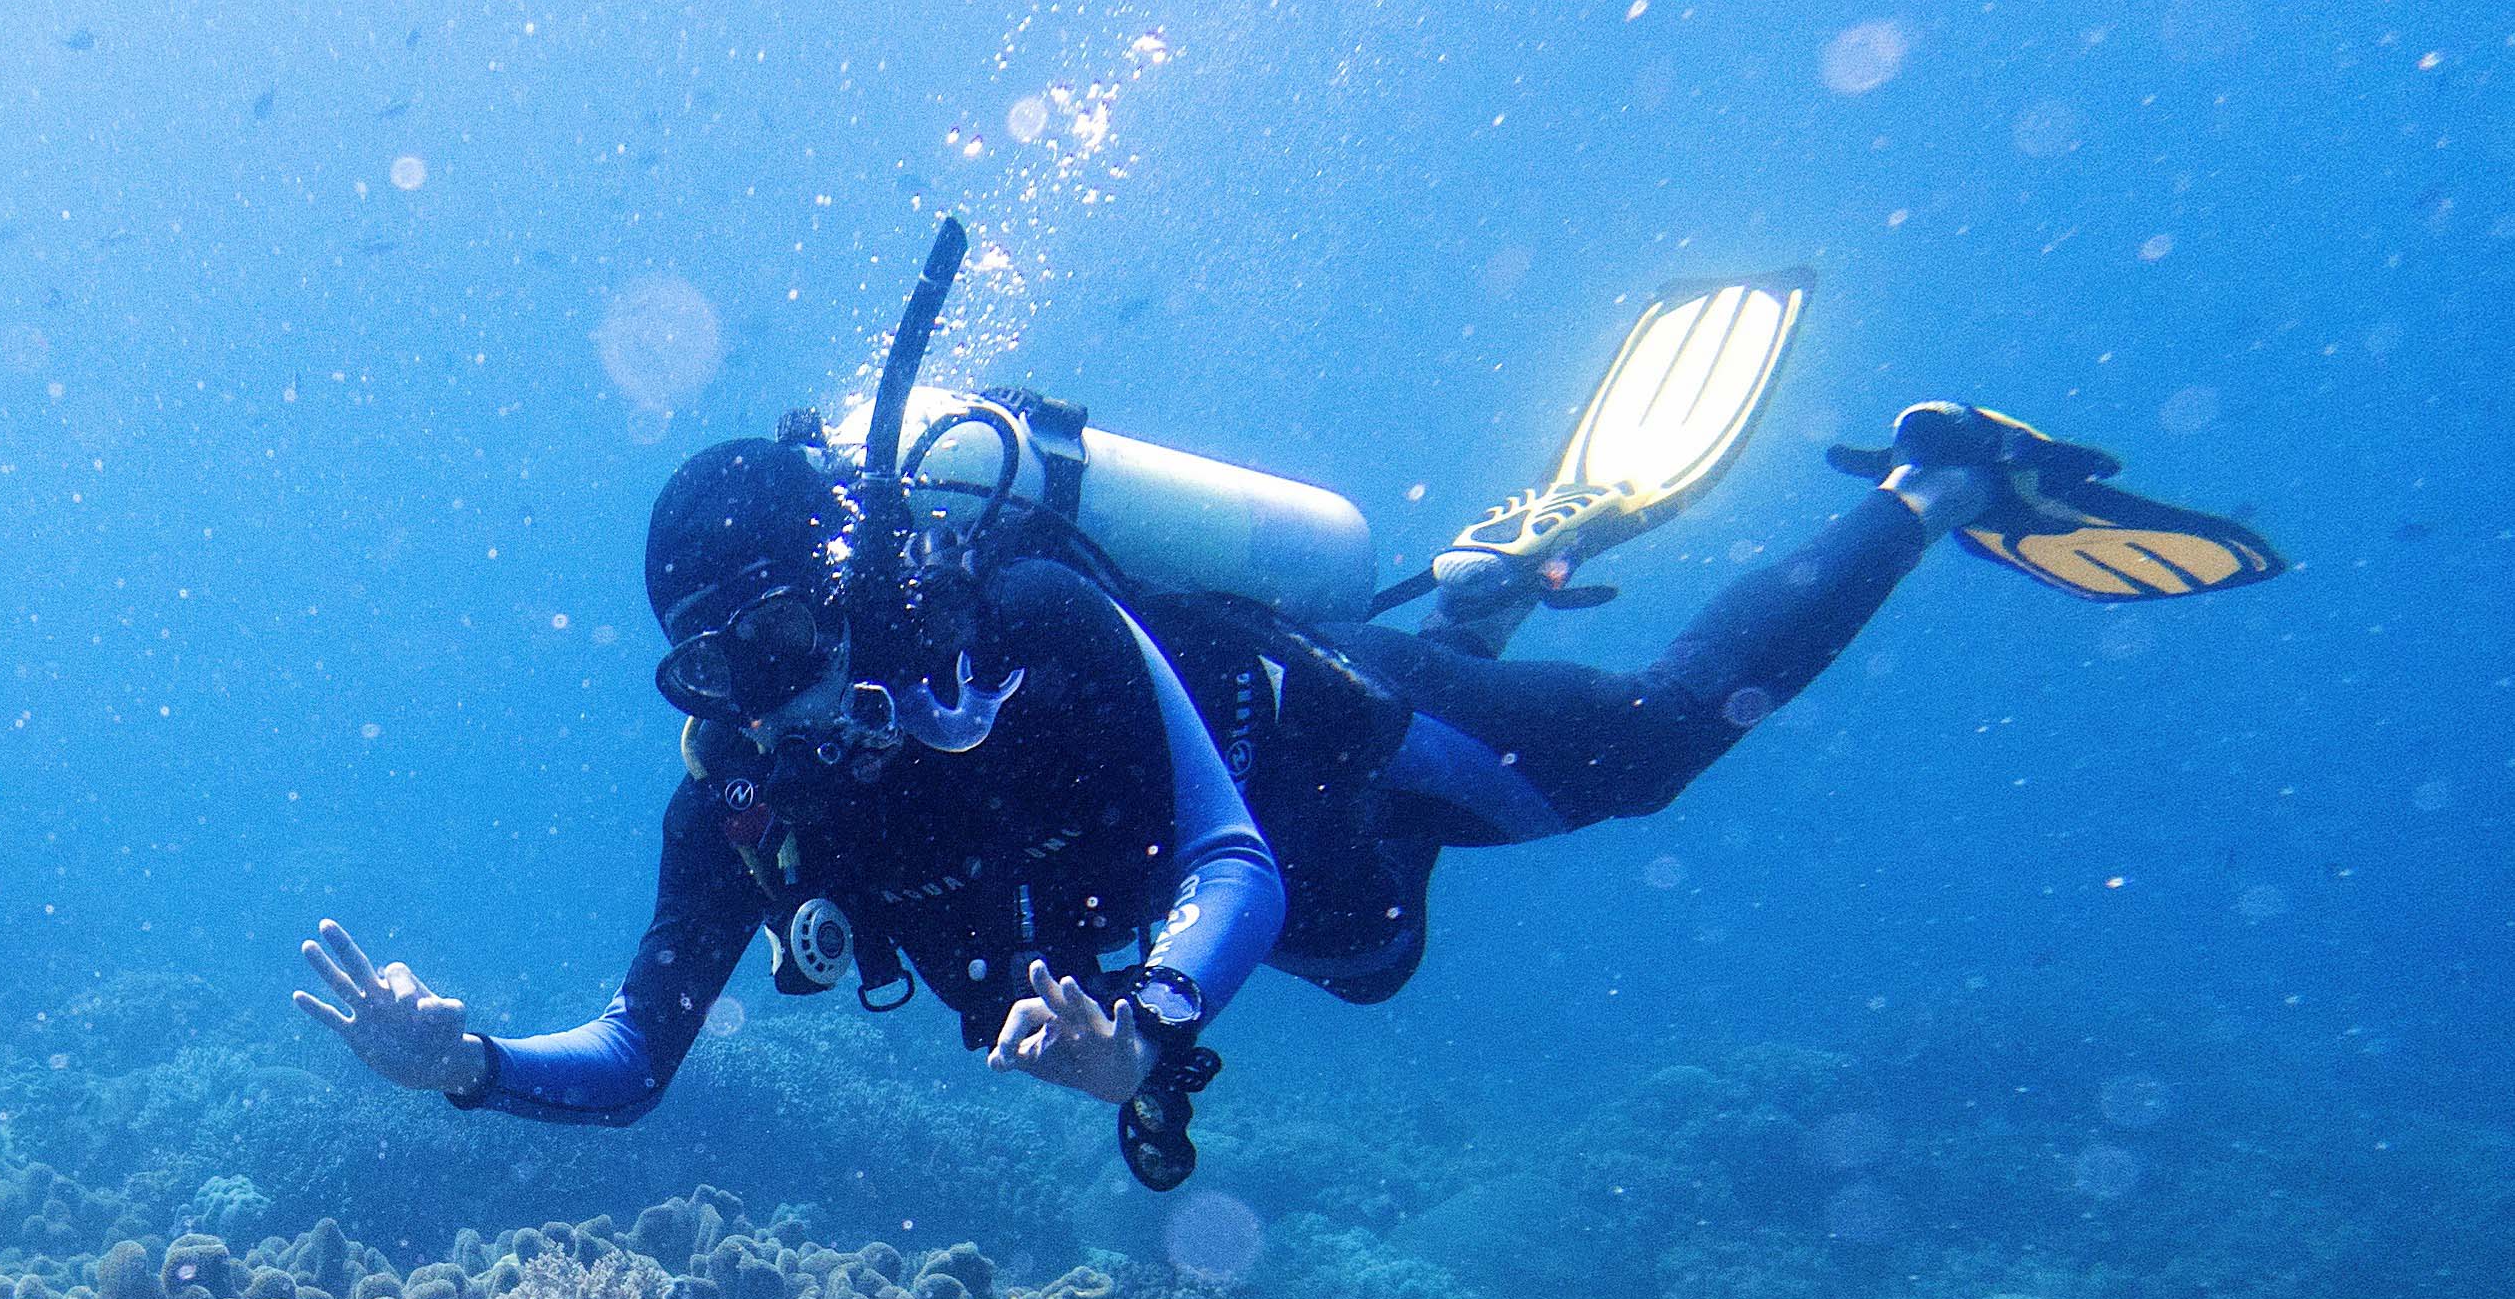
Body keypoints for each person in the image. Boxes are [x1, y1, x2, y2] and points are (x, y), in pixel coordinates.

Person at [297, 273, 2278, 1187]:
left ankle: (1933, 481)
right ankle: (1494, 567)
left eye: (787, 636)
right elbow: (635, 1056)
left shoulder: (1035, 613)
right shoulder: (736, 805)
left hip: (1344, 761)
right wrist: (472, 1065)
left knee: (1660, 741)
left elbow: (1229, 850)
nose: (777, 695)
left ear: (866, 580)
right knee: (1378, 948)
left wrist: (1146, 1027)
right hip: (1300, 930)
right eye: (715, 667)